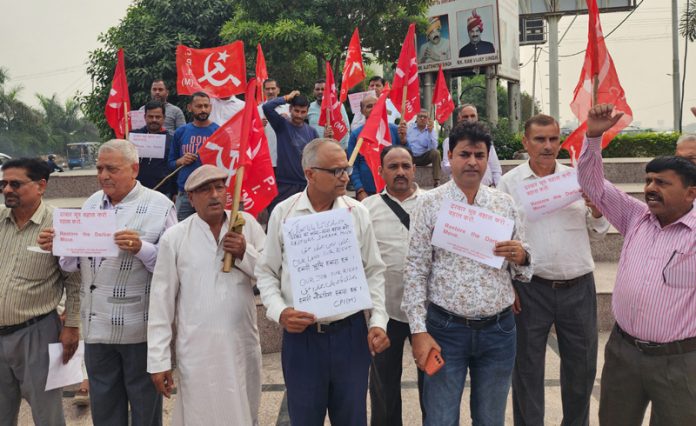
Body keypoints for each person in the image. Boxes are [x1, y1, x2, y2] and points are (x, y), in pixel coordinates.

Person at [38, 139, 177, 426]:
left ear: (134, 169)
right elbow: (75, 263)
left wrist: (141, 248)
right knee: (105, 410)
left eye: (112, 169)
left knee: (144, 410)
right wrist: (60, 245)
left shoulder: (159, 205)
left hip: (138, 329)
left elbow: (173, 265)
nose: (103, 176)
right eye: (100, 168)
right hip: (97, 328)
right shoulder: (91, 203)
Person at [402, 121, 532, 425]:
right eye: (464, 154)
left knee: (490, 418)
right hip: (445, 329)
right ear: (450, 156)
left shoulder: (504, 204)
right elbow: (415, 270)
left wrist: (523, 256)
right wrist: (419, 331)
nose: (472, 162)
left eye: (479, 154)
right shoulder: (429, 204)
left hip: (498, 331)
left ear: (488, 158)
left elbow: (523, 272)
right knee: (441, 418)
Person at [256, 139, 390, 425]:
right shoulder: (285, 212)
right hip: (302, 338)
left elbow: (375, 271)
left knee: (352, 417)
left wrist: (378, 321)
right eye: (336, 171)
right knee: (304, 418)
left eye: (346, 168)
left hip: (351, 335)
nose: (345, 176)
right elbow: (266, 271)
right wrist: (280, 312)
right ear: (310, 173)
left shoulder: (358, 212)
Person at [577, 103, 696, 426]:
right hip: (623, 354)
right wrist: (593, 137)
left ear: (690, 193)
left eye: (661, 183)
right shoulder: (636, 216)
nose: (650, 189)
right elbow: (593, 185)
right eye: (648, 181)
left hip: (680, 361)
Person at [498, 114, 610, 426]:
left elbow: (600, 229)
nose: (548, 146)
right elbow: (502, 237)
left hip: (578, 285)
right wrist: (508, 286)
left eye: (553, 139)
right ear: (526, 142)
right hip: (531, 287)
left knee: (583, 367)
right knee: (527, 369)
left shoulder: (577, 177)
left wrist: (597, 207)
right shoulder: (509, 183)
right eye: (539, 139)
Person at [147, 165, 264, 425]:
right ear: (190, 197)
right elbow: (161, 303)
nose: (214, 195)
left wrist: (245, 252)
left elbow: (271, 276)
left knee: (245, 411)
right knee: (200, 414)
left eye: (219, 187)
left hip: (241, 344)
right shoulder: (174, 237)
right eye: (205, 189)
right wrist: (159, 360)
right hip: (197, 350)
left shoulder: (246, 226)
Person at [0, 158, 80, 426]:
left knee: (47, 415)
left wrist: (72, 325)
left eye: (15, 184)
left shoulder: (59, 225)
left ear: (41, 186)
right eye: (3, 184)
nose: (7, 189)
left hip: (36, 333)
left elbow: (75, 282)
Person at [362, 145, 425, 425]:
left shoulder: (433, 203)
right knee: (383, 387)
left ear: (414, 168)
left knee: (434, 385)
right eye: (393, 166)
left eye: (405, 165)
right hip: (385, 313)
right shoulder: (366, 210)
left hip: (429, 314)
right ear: (381, 171)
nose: (400, 172)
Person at [262, 90, 318, 212]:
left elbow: (317, 157)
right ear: (290, 109)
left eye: (303, 112)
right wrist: (287, 97)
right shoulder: (282, 125)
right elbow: (267, 107)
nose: (299, 115)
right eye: (296, 111)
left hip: (305, 184)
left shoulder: (312, 132)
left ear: (307, 112)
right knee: (277, 216)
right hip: (284, 183)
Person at [168, 91, 220, 221]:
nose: (203, 109)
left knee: (210, 229)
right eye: (199, 106)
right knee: (181, 231)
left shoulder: (218, 132)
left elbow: (225, 164)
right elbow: (170, 163)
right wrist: (181, 161)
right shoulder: (181, 132)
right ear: (190, 108)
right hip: (186, 192)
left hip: (210, 191)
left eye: (206, 106)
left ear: (211, 107)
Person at [347, 95, 408, 200]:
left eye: (377, 106)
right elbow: (353, 166)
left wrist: (404, 141)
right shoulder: (357, 135)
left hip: (393, 191)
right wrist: (360, 190)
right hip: (367, 193)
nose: (374, 109)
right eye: (369, 106)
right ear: (362, 111)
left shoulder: (394, 130)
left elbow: (407, 158)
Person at [442, 104, 502, 186]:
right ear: (459, 119)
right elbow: (446, 167)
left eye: (472, 116)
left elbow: (496, 169)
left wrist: (499, 189)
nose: (469, 119)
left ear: (477, 118)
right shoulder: (449, 141)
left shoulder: (485, 140)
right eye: (465, 117)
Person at [131, 100, 175, 197]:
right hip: (137, 190)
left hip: (163, 191)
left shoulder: (172, 140)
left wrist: (174, 192)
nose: (154, 120)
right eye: (150, 117)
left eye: (158, 117)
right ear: (145, 117)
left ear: (164, 118)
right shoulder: (133, 136)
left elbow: (173, 167)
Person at [307, 79, 351, 149]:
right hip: (318, 150)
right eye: (317, 89)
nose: (320, 92)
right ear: (313, 91)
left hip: (338, 149)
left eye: (323, 89)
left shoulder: (338, 106)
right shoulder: (309, 107)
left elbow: (347, 128)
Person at [258, 78, 289, 169]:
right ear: (263, 91)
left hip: (285, 157)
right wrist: (257, 125)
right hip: (265, 158)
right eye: (267, 89)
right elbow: (249, 133)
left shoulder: (289, 109)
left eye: (273, 88)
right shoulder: (257, 110)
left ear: (278, 90)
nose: (270, 91)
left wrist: (288, 120)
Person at [406, 110, 442, 187]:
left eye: (425, 117)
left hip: (423, 157)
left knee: (436, 153)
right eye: (420, 116)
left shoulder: (431, 130)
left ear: (428, 119)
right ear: (416, 118)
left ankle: (436, 180)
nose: (422, 118)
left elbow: (433, 147)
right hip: (410, 157)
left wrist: (430, 132)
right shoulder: (409, 129)